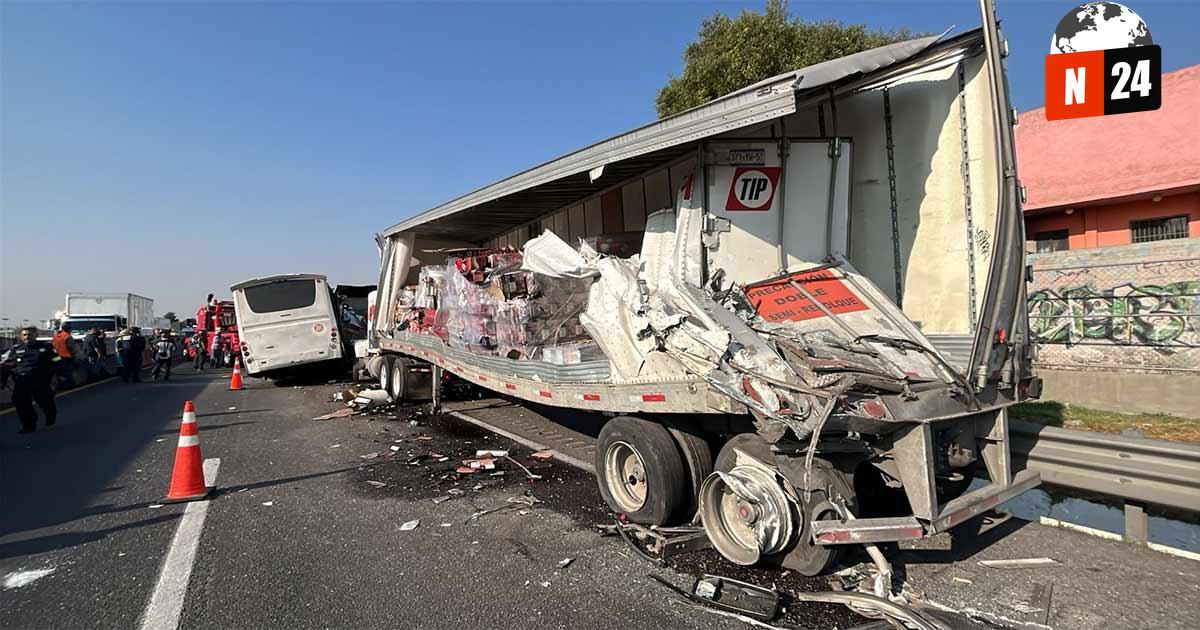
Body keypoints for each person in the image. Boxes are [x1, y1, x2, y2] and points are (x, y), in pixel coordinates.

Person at [1, 327, 59, 434]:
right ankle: (29, 425)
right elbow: (8, 364)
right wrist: (3, 380)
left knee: (46, 402)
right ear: (21, 336)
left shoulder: (45, 346)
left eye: (29, 334)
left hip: (40, 380)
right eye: (24, 335)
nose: (27, 337)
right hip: (22, 381)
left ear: (36, 335)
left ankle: (50, 420)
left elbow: (57, 359)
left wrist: (58, 373)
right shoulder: (16, 348)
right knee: (21, 403)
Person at [52, 323, 76, 388]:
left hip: (57, 357)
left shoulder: (56, 336)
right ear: (68, 329)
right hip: (66, 357)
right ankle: (71, 385)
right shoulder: (68, 336)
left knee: (59, 372)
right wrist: (74, 355)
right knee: (68, 372)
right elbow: (71, 347)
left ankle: (60, 385)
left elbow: (53, 345)